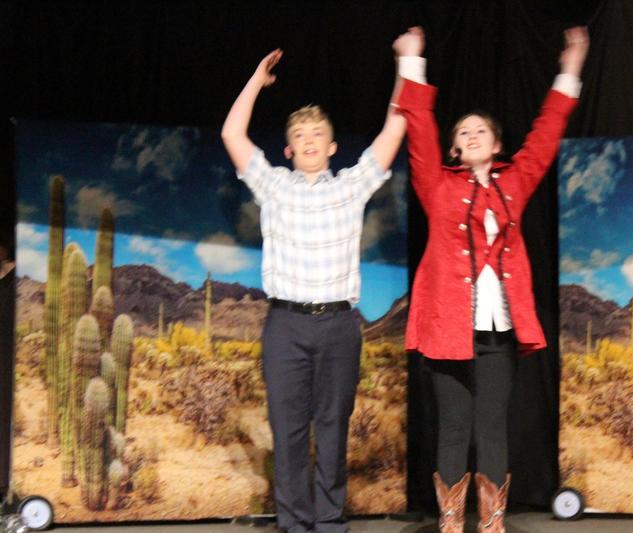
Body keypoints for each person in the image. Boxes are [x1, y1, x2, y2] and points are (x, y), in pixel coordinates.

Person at [221, 28, 425, 533]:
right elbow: (232, 135)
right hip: (286, 325)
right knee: (288, 430)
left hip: (338, 325)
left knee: (333, 428)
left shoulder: (352, 186)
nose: (308, 143)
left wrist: (409, 62)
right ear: (288, 151)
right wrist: (255, 81)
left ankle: (331, 522)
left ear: (332, 146)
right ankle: (294, 523)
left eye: (316, 136)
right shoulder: (273, 185)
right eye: (299, 138)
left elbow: (394, 130)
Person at [395, 27, 589, 532]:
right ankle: (452, 524)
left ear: (497, 144)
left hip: (497, 332)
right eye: (463, 132)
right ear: (455, 150)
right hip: (446, 331)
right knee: (455, 427)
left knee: (493, 428)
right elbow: (418, 128)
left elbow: (546, 135)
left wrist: (570, 68)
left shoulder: (514, 182)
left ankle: (492, 524)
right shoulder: (437, 185)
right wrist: (412, 61)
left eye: (481, 130)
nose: (472, 134)